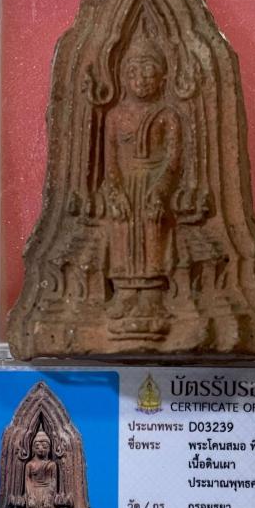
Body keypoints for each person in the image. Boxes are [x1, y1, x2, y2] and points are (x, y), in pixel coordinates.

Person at [104, 22, 182, 334]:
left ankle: (151, 296)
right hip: (126, 187)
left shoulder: (167, 115)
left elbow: (174, 159)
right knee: (123, 233)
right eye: (134, 73)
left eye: (149, 73)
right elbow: (110, 160)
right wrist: (115, 192)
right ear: (124, 78)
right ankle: (125, 293)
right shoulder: (115, 116)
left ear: (163, 78)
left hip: (154, 186)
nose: (141, 81)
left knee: (153, 233)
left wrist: (161, 190)